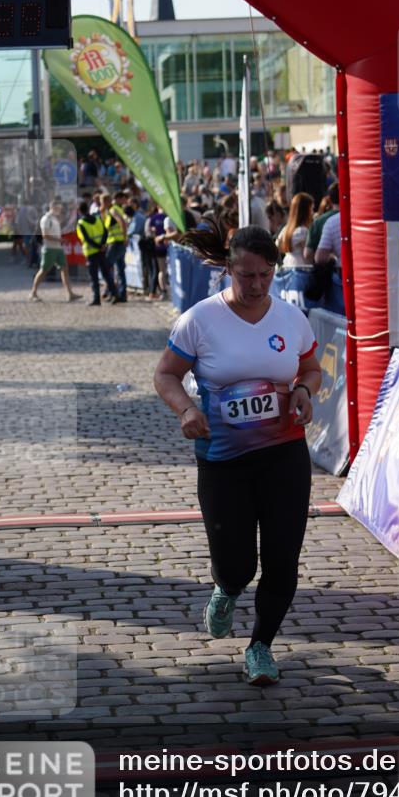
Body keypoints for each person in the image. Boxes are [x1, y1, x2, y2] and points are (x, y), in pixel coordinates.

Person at [153, 224, 321, 686]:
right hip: (224, 461)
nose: (256, 285)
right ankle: (226, 588)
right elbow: (165, 374)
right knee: (237, 563)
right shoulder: (200, 319)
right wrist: (186, 408)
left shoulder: (290, 319)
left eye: (266, 275)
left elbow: (310, 366)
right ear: (229, 269)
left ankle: (261, 645)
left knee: (283, 560)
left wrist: (305, 389)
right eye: (246, 275)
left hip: (285, 454)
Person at [28, 200, 82, 302]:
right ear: (52, 207)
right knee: (44, 270)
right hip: (49, 248)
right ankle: (33, 292)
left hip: (57, 248)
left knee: (64, 269)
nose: (60, 210)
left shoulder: (54, 219)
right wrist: (60, 240)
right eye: (58, 208)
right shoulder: (46, 219)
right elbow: (45, 235)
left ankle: (70, 293)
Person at [76, 200, 118, 306]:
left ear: (80, 211)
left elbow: (86, 239)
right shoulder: (98, 218)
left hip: (91, 252)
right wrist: (103, 245)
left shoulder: (81, 223)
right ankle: (115, 294)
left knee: (94, 277)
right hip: (102, 251)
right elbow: (105, 232)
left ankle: (96, 299)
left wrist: (98, 247)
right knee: (106, 274)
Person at [277, 192, 314, 267]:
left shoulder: (286, 229)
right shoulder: (303, 231)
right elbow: (307, 257)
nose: (312, 212)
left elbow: (277, 245)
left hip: (287, 266)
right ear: (306, 211)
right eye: (311, 209)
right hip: (301, 270)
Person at [104, 191, 128, 302]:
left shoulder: (113, 210)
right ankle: (121, 294)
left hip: (115, 243)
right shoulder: (117, 209)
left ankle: (113, 292)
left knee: (107, 268)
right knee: (120, 269)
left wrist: (124, 238)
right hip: (118, 243)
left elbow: (122, 222)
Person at [304, 184, 339, 262]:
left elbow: (308, 254)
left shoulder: (317, 222)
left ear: (329, 199)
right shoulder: (357, 219)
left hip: (327, 271)